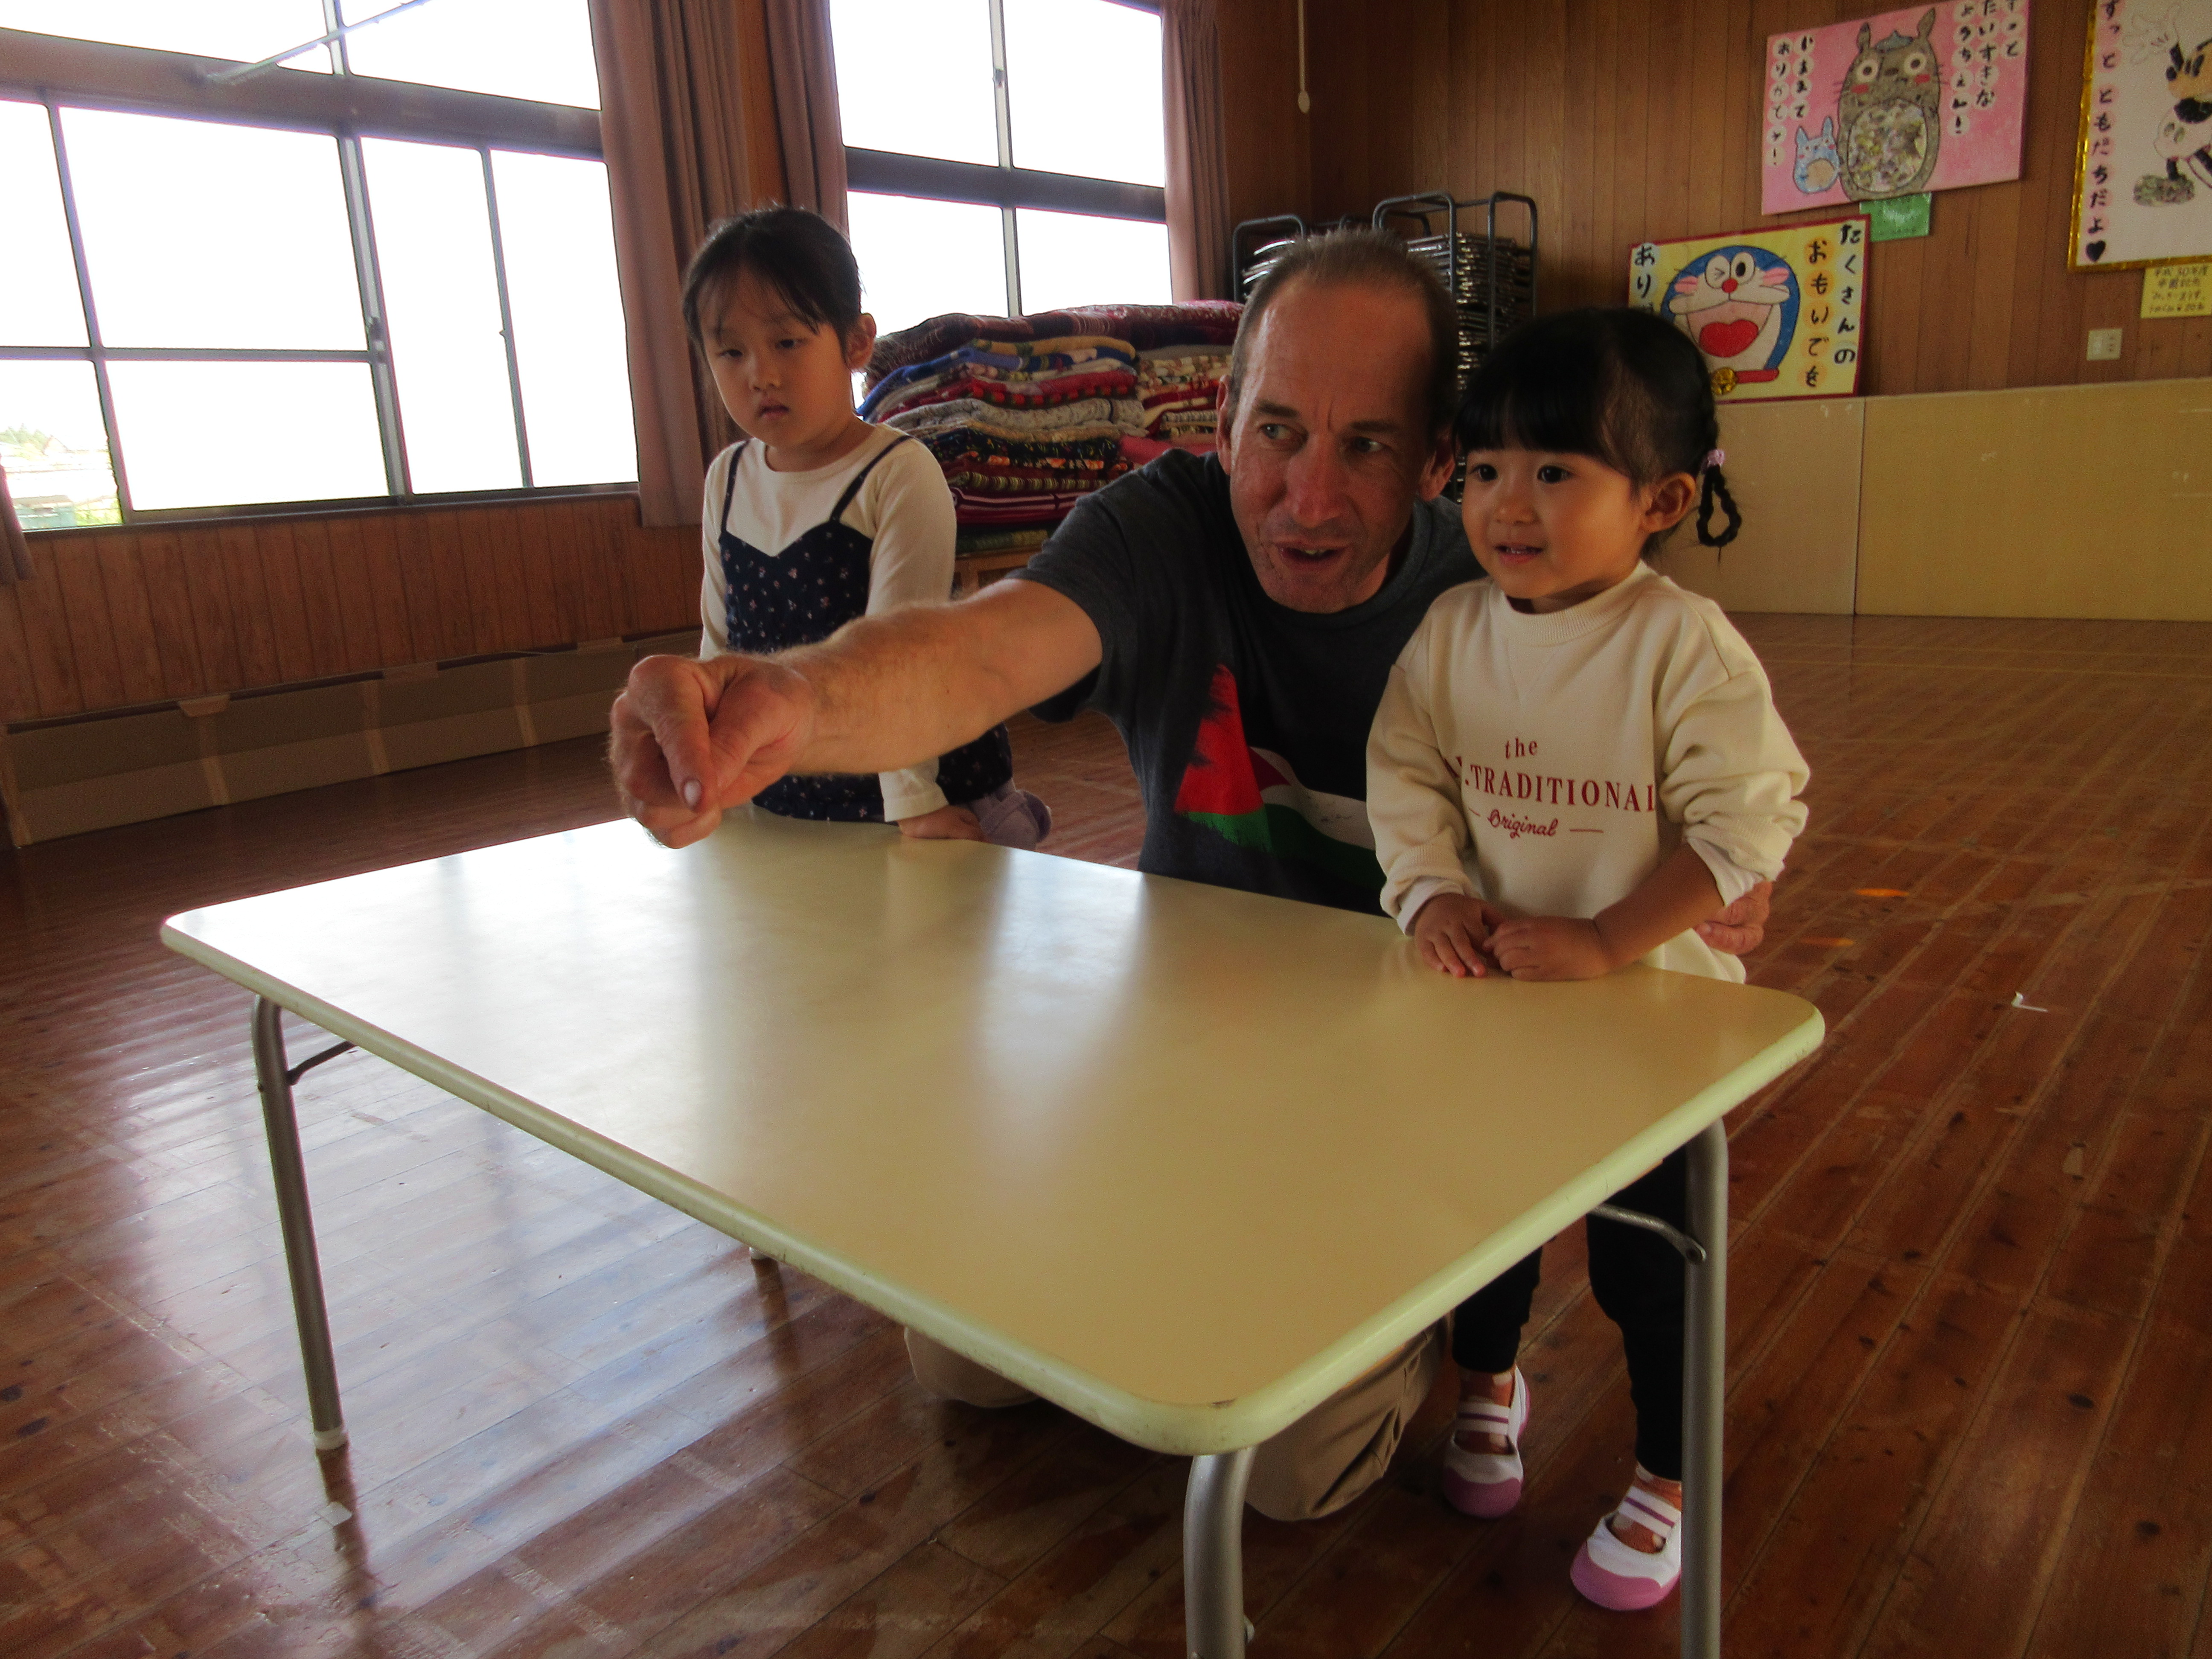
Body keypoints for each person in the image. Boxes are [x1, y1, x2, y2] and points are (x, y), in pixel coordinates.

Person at [609, 230, 1774, 1523]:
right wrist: (781, 699)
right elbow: (976, 654)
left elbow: (1688, 748)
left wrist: (1688, 872)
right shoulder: (1161, 529)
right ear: (1221, 420)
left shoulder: (1507, 596)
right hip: (1181, 1050)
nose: (1308, 497)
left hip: (1399, 1080)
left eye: (1368, 446)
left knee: (1289, 1470)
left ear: (1437, 460)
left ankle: (1431, 1322)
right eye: (1276, 432)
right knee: (965, 1361)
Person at [1366, 307, 1809, 1608]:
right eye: (1485, 468)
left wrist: (1613, 939)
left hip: (1648, 1035)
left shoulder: (1683, 645)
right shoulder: (1452, 632)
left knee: (1648, 1265)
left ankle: (1669, 1473)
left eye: (1556, 470)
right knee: (1484, 1222)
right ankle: (1490, 1383)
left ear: (1661, 501)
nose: (1509, 503)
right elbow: (1405, 775)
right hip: (1497, 1012)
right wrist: (1430, 894)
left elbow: (1750, 819)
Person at [682, 205, 1048, 844]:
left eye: (787, 343)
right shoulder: (728, 479)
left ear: (856, 343)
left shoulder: (898, 473)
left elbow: (907, 657)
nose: (760, 375)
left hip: (919, 783)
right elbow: (720, 648)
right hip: (787, 788)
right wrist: (715, 771)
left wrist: (915, 803)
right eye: (731, 352)